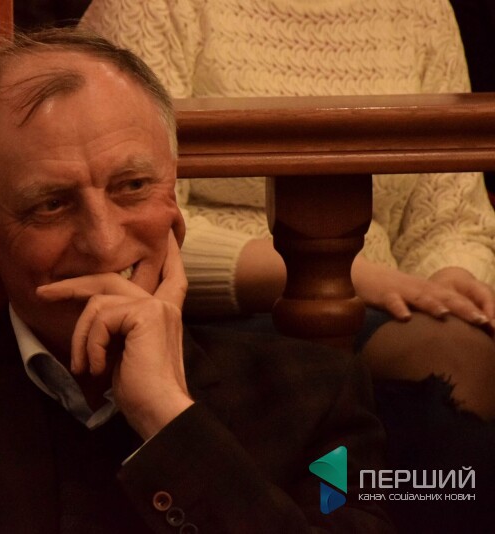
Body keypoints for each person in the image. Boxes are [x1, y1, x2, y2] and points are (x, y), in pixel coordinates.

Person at [0, 28, 392, 532]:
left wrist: (169, 420)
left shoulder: (317, 396)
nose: (103, 242)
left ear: (174, 196)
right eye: (51, 204)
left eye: (132, 187)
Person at [81, 0, 495, 419]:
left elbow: (451, 216)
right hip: (208, 314)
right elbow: (124, 226)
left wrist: (449, 278)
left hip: (382, 306)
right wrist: (337, 273)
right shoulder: (153, 6)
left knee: (459, 356)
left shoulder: (422, 9)